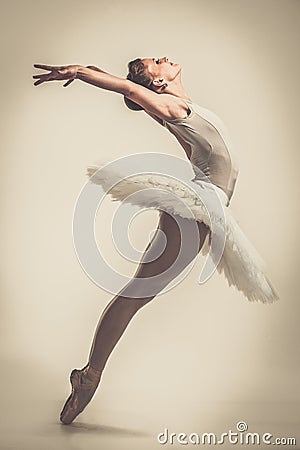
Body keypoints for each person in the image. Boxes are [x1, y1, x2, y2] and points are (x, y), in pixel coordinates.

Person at [33, 57, 278, 425]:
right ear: (159, 83)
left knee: (137, 292)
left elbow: (132, 89)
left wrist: (88, 68)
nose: (163, 58)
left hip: (202, 206)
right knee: (136, 294)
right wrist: (80, 74)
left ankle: (89, 375)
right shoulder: (171, 105)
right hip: (196, 206)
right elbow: (130, 88)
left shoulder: (177, 109)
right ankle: (90, 376)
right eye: (155, 62)